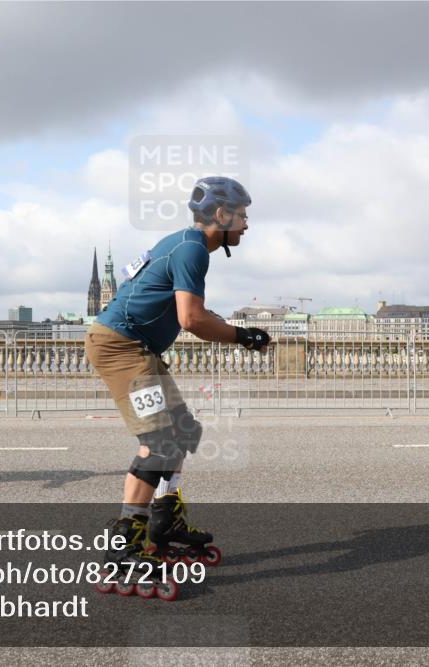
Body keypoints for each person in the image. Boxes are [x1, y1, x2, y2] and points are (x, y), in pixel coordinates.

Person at [85, 176, 270, 599]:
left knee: (184, 432)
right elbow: (191, 321)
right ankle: (125, 546)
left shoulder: (185, 243)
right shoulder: (191, 250)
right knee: (160, 441)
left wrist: (239, 332)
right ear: (220, 215)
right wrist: (242, 336)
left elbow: (197, 311)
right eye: (242, 216)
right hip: (120, 348)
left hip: (136, 346)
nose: (246, 224)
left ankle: (163, 521)